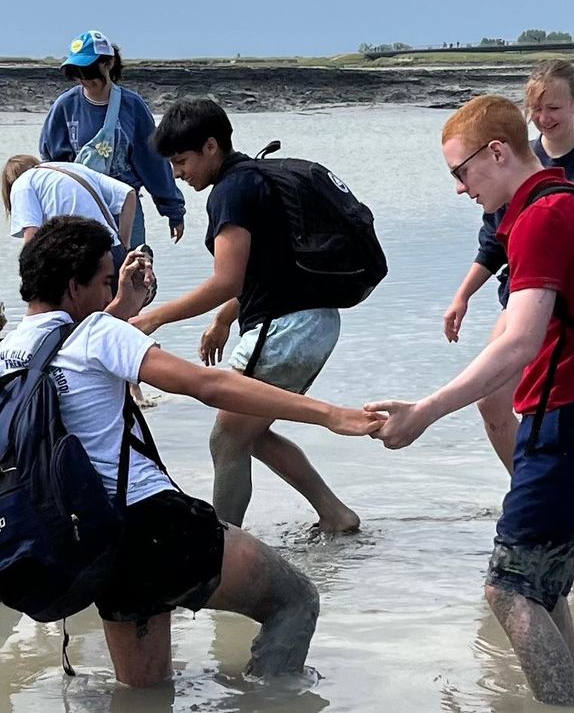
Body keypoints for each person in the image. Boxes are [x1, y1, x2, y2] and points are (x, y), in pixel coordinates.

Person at [0, 216, 383, 686]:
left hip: (90, 539)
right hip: (152, 525)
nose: (107, 297)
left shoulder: (9, 351)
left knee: (143, 694)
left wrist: (124, 305)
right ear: (74, 288)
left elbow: (74, 358)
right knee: (295, 600)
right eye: (103, 282)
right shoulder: (97, 332)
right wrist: (329, 414)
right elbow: (209, 384)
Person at [366, 95, 574, 705]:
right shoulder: (559, 199)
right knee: (542, 587)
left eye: (461, 172)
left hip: (564, 422)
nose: (459, 188)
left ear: (497, 152)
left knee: (508, 590)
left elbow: (519, 344)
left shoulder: (542, 218)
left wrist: (424, 412)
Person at [131, 97, 361, 535]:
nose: (178, 174)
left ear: (212, 147)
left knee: (226, 437)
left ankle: (222, 551)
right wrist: (222, 319)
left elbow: (227, 280)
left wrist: (152, 318)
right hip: (313, 321)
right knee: (248, 433)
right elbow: (268, 269)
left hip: (287, 327)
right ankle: (335, 515)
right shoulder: (253, 178)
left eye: (182, 162)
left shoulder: (231, 192)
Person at [443, 61, 574, 486]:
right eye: (535, 107)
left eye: (553, 107)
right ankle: (531, 485)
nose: (544, 118)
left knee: (573, 411)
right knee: (492, 401)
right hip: (521, 296)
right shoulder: (516, 159)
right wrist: (463, 295)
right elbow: (493, 241)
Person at [39, 30, 186, 247]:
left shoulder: (132, 106)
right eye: (76, 72)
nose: (84, 79)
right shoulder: (64, 106)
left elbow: (153, 162)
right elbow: (51, 164)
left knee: (132, 272)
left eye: (88, 71)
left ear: (108, 63)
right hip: (78, 211)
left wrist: (173, 210)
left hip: (125, 209)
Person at [2, 153, 136, 254]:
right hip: (111, 249)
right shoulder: (75, 168)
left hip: (78, 257)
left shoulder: (22, 183)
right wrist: (124, 246)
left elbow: (32, 237)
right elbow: (128, 195)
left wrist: (27, 278)